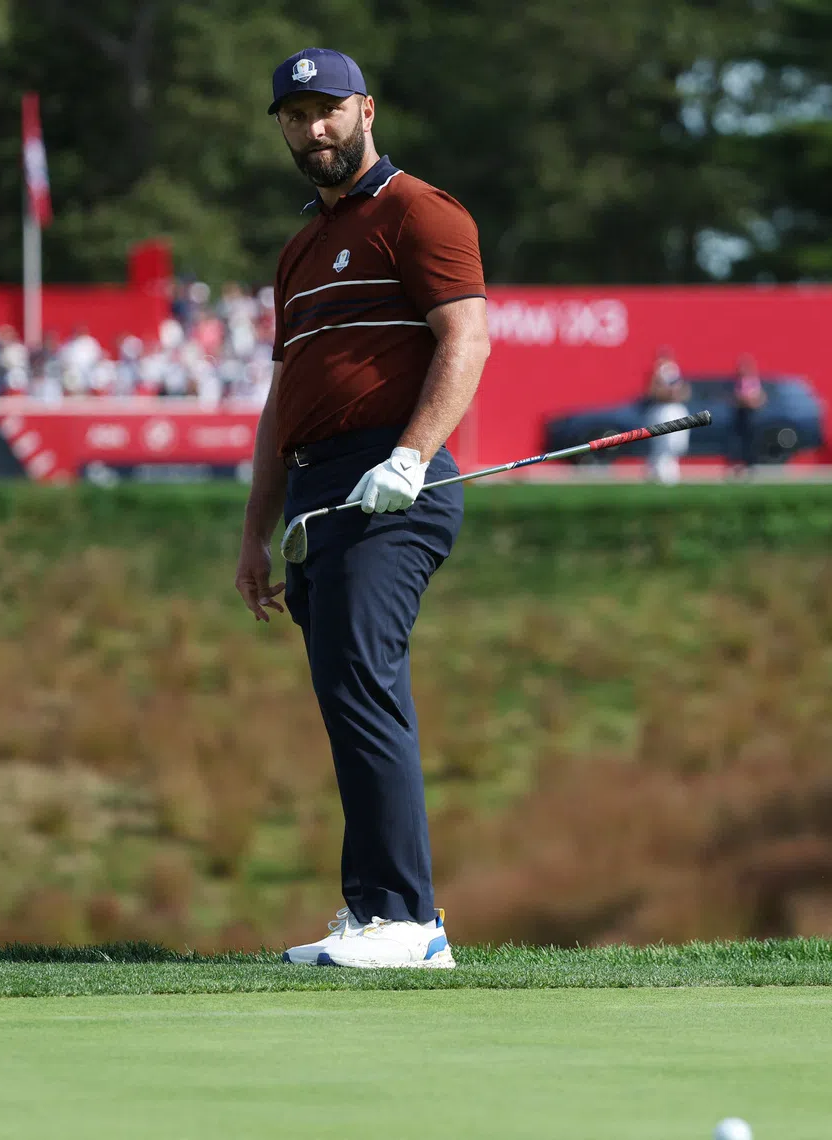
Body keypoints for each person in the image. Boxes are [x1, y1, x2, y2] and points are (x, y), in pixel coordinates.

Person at [234, 47, 489, 969]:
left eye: (329, 110)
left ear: (366, 110)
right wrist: (255, 532)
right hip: (316, 492)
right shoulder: (299, 249)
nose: (314, 129)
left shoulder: (422, 212)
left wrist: (410, 456)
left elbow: (466, 340)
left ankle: (407, 921)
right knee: (347, 695)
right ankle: (372, 910)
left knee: (363, 684)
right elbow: (284, 401)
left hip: (391, 485)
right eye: (296, 115)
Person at [643, 346, 691, 484]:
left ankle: (670, 471)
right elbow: (653, 392)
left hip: (676, 409)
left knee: (677, 444)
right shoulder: (657, 372)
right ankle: (658, 472)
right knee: (663, 444)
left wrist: (677, 393)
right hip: (662, 410)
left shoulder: (675, 371)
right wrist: (668, 393)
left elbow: (684, 392)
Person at [731, 353, 767, 474]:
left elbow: (759, 397)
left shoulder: (753, 381)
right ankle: (739, 464)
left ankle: (751, 464)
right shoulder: (737, 382)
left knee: (751, 440)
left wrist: (749, 401)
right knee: (739, 441)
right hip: (740, 414)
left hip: (750, 414)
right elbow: (737, 397)